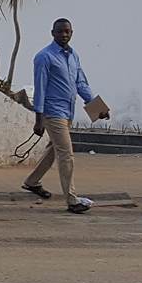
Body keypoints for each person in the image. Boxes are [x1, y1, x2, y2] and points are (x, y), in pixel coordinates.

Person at [24, 17, 97, 215]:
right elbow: (40, 88)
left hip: (67, 111)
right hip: (52, 112)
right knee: (66, 153)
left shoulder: (73, 56)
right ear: (52, 33)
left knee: (54, 150)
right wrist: (38, 119)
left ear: (72, 33)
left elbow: (80, 83)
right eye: (60, 31)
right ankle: (72, 200)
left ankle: (31, 182)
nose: (64, 35)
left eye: (67, 31)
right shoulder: (44, 57)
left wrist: (97, 107)